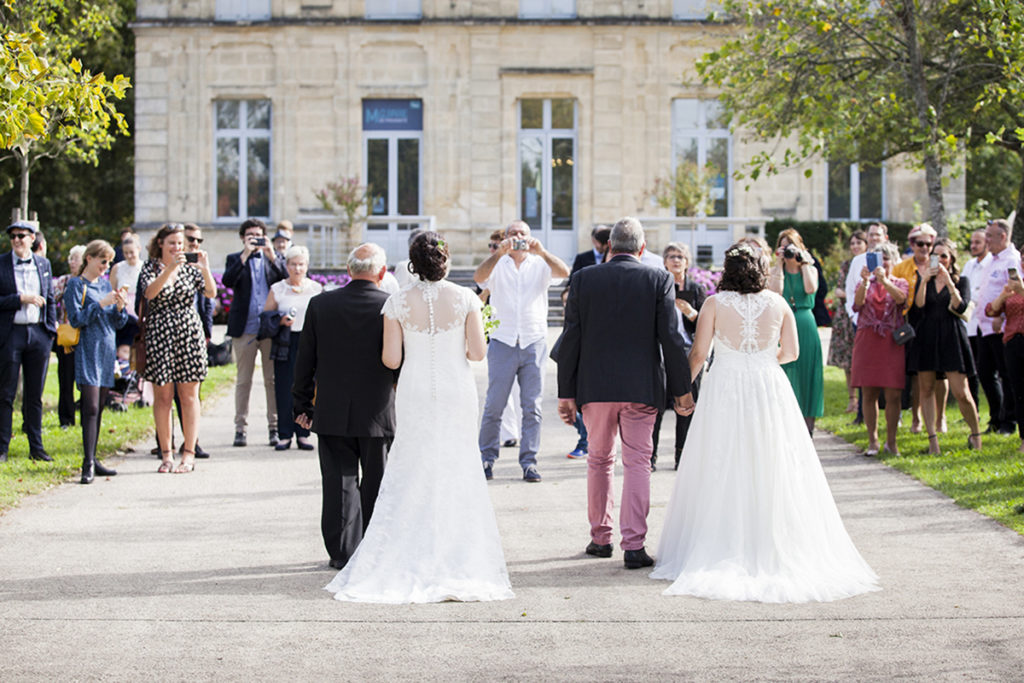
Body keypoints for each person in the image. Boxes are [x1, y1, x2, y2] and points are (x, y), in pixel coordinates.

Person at [651, 240, 880, 602]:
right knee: (772, 460)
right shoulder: (778, 304)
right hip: (767, 386)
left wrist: (683, 393)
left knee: (722, 460)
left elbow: (698, 353)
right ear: (760, 269)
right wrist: (760, 359)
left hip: (725, 386)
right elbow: (791, 352)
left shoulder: (713, 303)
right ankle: (772, 539)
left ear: (728, 270)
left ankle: (721, 540)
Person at [324, 232, 514, 603]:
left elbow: (391, 360)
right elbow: (477, 353)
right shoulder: (465, 299)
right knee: (456, 465)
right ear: (446, 261)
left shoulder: (397, 301)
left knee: (413, 465)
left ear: (412, 262)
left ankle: (408, 546)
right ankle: (456, 550)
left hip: (414, 392)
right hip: (455, 391)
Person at [557, 217, 693, 569]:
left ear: (609, 247)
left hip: (595, 387)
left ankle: (600, 539)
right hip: (640, 387)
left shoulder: (584, 279)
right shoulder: (659, 278)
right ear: (642, 249)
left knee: (599, 461)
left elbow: (571, 337)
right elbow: (671, 339)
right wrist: (682, 390)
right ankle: (634, 546)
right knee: (637, 464)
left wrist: (565, 392)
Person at [293, 243, 396, 570]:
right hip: (378, 411)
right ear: (381, 273)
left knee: (338, 484)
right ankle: (376, 548)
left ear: (348, 271)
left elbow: (305, 360)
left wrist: (302, 404)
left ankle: (341, 553)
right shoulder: (390, 307)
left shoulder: (321, 304)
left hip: (332, 408)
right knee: (377, 484)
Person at [475, 219, 570, 483]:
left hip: (533, 341)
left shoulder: (540, 264)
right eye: (513, 233)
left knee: (533, 407)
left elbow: (564, 272)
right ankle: (486, 458)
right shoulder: (499, 263)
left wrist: (542, 251)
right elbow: (479, 278)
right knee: (494, 405)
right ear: (505, 237)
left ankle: (529, 461)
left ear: (530, 237)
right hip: (504, 340)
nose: (518, 237)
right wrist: (498, 253)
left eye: (523, 233)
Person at [139, 223, 217, 474]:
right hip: (160, 333)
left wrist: (205, 270)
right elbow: (150, 294)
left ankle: (189, 453)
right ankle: (166, 454)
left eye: (180, 243)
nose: (177, 247)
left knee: (189, 396)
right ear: (160, 243)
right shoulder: (150, 267)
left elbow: (211, 292)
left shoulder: (191, 268)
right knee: (162, 397)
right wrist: (170, 268)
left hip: (188, 333)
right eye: (172, 242)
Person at [908, 238, 982, 454]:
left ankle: (975, 436)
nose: (939, 260)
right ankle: (933, 441)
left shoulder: (962, 280)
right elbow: (919, 306)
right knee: (927, 388)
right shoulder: (925, 279)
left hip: (952, 336)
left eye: (944, 256)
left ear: (951, 259)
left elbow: (960, 306)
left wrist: (949, 282)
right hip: (927, 336)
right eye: (936, 255)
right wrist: (923, 280)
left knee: (962, 391)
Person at [64, 240, 129, 484]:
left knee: (99, 407)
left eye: (109, 262)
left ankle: (94, 457)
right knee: (90, 407)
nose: (106, 266)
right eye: (103, 261)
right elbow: (76, 319)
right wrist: (100, 305)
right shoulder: (75, 285)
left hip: (106, 349)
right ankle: (87, 463)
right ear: (89, 258)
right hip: (87, 350)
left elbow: (117, 323)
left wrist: (120, 307)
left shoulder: (104, 285)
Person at [223, 218, 287, 447]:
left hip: (269, 329)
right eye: (250, 235)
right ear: (242, 237)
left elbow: (286, 279)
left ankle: (274, 427)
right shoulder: (235, 259)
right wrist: (245, 255)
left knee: (271, 380)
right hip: (245, 328)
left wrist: (270, 254)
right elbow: (227, 280)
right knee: (243, 381)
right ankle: (240, 428)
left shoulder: (273, 259)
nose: (254, 239)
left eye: (258, 235)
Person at [0, 220, 56, 464]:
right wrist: (19, 298)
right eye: (13, 236)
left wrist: (49, 331)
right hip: (11, 333)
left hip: (38, 334)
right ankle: (2, 447)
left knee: (34, 395)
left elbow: (51, 298)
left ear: (33, 239)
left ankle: (36, 446)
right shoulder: (1, 263)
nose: (17, 240)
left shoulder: (43, 264)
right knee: (5, 393)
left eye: (22, 235)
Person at [850, 243, 911, 456]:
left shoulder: (900, 282)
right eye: (878, 258)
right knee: (868, 392)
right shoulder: (863, 282)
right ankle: (872, 440)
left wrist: (884, 279)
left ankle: (891, 442)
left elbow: (901, 300)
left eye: (886, 259)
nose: (881, 263)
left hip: (890, 343)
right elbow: (856, 305)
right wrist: (866, 282)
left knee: (894, 393)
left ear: (893, 262)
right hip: (867, 341)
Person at [653, 242, 705, 471]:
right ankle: (650, 457)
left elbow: (706, 323)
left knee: (686, 406)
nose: (676, 260)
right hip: (661, 352)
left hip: (687, 351)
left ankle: (681, 458)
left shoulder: (695, 289)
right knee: (656, 408)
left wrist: (690, 313)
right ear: (664, 261)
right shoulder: (658, 286)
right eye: (671, 256)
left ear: (687, 262)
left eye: (680, 256)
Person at [264, 245, 322, 451]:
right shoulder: (278, 288)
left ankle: (304, 433)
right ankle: (285, 434)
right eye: (293, 264)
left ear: (307, 266)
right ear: (286, 266)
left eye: (301, 264)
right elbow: (265, 316)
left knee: (307, 387)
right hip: (285, 342)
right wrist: (280, 320)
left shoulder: (315, 288)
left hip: (309, 343)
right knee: (284, 388)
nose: (297, 269)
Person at [768, 228, 823, 434]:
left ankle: (808, 428)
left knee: (808, 373)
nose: (788, 250)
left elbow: (810, 289)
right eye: (783, 245)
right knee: (786, 371)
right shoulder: (776, 271)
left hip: (805, 321)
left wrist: (805, 262)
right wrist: (780, 265)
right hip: (783, 321)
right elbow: (776, 293)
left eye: (791, 245)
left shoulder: (810, 269)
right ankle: (785, 426)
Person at [892, 223, 943, 434]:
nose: (924, 247)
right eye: (919, 243)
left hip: (936, 318)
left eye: (928, 243)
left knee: (940, 371)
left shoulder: (938, 263)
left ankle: (940, 418)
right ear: (912, 244)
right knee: (915, 372)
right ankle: (916, 417)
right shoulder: (902, 267)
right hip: (912, 320)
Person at [973, 218, 1021, 435]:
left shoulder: (1011, 260)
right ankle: (995, 417)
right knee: (985, 373)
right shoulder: (992, 259)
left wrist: (1001, 316)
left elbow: (1014, 291)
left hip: (1001, 327)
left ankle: (1008, 421)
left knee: (1007, 374)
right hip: (984, 324)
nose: (986, 240)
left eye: (990, 236)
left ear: (1003, 236)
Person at [984, 267, 1024, 452]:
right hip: (1013, 342)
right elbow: (991, 311)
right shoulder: (1013, 285)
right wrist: (1004, 296)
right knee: (1019, 393)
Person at [829, 231, 867, 414]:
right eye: (852, 243)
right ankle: (852, 399)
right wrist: (848, 294)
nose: (855, 246)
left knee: (860, 359)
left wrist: (850, 294)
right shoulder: (846, 264)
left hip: (861, 313)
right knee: (847, 361)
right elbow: (838, 290)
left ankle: (863, 399)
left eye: (859, 242)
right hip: (846, 316)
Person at [54, 244, 86, 429]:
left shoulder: (87, 281)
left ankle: (85, 415)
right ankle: (66, 419)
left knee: (84, 379)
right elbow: (53, 301)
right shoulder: (64, 281)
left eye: (76, 258)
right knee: (65, 379)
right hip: (66, 336)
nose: (72, 262)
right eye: (71, 258)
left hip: (83, 336)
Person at [961, 229, 990, 406]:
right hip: (968, 324)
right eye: (972, 242)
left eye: (978, 242)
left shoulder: (990, 264)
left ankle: (1000, 415)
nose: (974, 246)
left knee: (987, 372)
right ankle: (974, 410)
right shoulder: (969, 265)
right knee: (971, 371)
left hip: (985, 324)